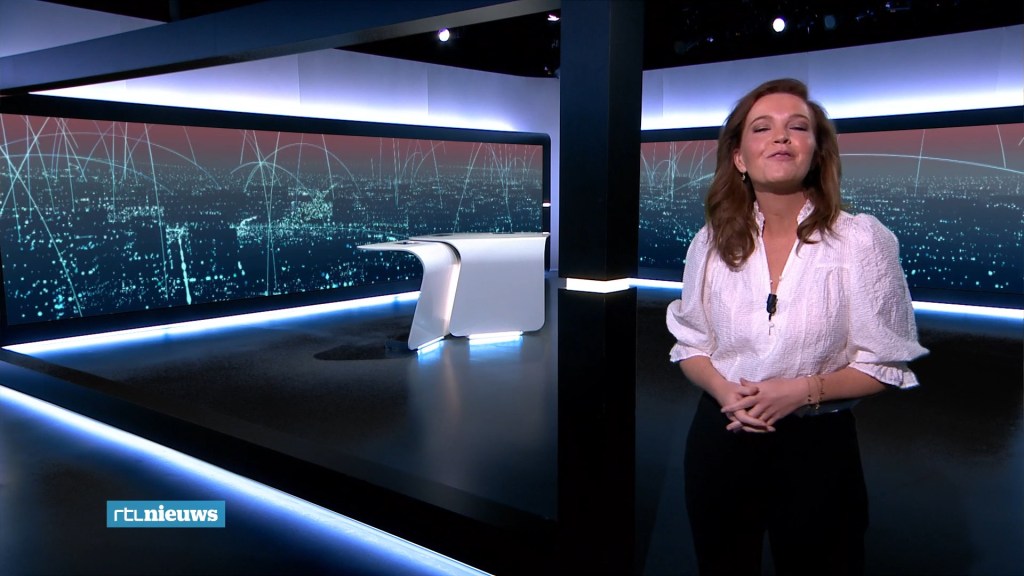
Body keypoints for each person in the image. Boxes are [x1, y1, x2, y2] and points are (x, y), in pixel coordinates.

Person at [665, 78, 928, 575]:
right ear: (739, 158)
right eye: (762, 128)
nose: (781, 137)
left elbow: (883, 364)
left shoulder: (861, 241)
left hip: (817, 448)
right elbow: (692, 345)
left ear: (816, 152)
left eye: (798, 127)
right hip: (721, 435)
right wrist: (724, 392)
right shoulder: (711, 241)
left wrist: (802, 392)